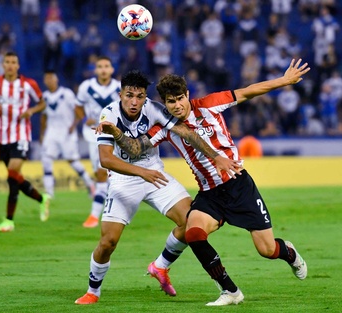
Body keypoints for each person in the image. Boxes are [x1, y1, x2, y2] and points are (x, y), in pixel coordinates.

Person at [98, 59, 310, 306]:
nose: (176, 105)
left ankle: (290, 253)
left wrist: (283, 81)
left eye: (180, 99)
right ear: (164, 103)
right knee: (194, 232)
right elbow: (135, 148)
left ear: (187, 95)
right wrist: (114, 132)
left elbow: (247, 91)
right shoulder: (166, 127)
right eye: (170, 101)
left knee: (267, 250)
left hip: (239, 186)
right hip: (210, 193)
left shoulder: (210, 105)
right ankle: (230, 291)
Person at [75, 70, 239, 305]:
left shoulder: (154, 109)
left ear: (145, 97)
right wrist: (143, 172)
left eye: (140, 96)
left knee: (191, 223)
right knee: (108, 242)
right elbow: (107, 160)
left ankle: (160, 266)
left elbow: (185, 132)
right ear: (120, 94)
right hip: (124, 180)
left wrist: (215, 156)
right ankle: (93, 291)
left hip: (155, 174)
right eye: (129, 95)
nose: (134, 101)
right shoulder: (108, 114)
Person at [0, 51, 50, 232]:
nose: (11, 65)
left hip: (21, 134)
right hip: (2, 137)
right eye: (7, 62)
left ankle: (9, 221)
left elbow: (42, 103)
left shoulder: (28, 84)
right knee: (15, 178)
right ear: (2, 65)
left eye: (14, 62)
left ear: (18, 66)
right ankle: (42, 199)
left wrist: (31, 111)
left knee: (12, 173)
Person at [75, 56, 121, 228]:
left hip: (115, 135)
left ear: (111, 69)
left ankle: (95, 215)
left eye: (106, 66)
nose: (103, 69)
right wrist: (84, 118)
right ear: (95, 70)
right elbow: (78, 106)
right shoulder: (86, 87)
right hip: (93, 134)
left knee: (106, 174)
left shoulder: (119, 88)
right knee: (101, 173)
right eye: (100, 66)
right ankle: (104, 210)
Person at [40, 70, 94, 199]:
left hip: (66, 132)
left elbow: (77, 109)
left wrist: (74, 124)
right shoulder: (45, 96)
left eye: (51, 78)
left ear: (56, 79)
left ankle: (90, 183)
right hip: (51, 132)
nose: (49, 81)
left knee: (72, 161)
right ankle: (49, 193)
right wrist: (42, 133)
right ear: (44, 81)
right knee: (46, 159)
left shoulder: (66, 94)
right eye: (47, 79)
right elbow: (44, 116)